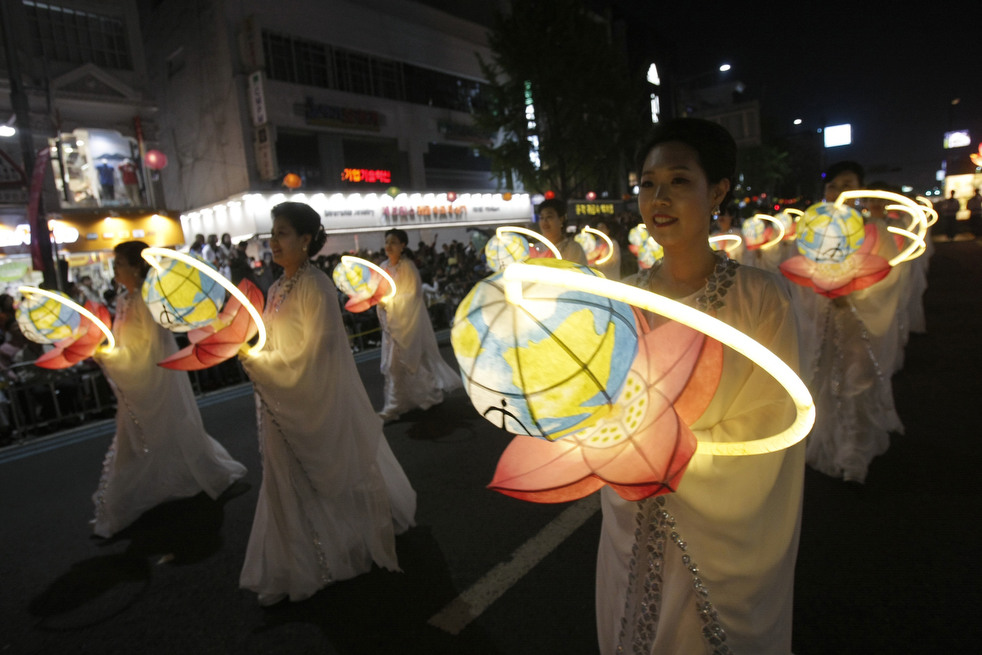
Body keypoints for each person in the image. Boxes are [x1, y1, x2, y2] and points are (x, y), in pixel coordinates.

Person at [596, 118, 803, 654]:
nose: (658, 198)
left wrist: (675, 456)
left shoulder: (762, 298)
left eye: (679, 181)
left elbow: (772, 416)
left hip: (717, 518)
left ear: (717, 192)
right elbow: (602, 397)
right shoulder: (620, 298)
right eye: (647, 183)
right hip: (633, 506)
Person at [238, 202, 415, 606]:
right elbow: (273, 337)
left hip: (301, 394)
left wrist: (265, 366)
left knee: (314, 475)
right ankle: (296, 559)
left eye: (283, 233)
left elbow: (318, 353)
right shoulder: (276, 287)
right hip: (279, 397)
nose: (274, 241)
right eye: (273, 232)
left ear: (305, 239)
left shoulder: (316, 286)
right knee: (285, 477)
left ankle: (327, 555)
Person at [90, 240, 246, 538]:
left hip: (153, 378)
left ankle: (159, 488)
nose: (115, 270)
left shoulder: (150, 298)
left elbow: (150, 350)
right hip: (137, 378)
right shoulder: (124, 299)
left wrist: (113, 359)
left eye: (119, 264)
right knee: (143, 436)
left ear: (136, 266)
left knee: (165, 429)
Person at [793, 163, 905, 484]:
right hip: (825, 322)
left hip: (857, 323)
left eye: (848, 184)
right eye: (834, 185)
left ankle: (854, 453)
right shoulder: (813, 228)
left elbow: (887, 277)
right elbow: (799, 273)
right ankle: (828, 441)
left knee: (857, 380)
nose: (839, 191)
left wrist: (853, 295)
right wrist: (823, 293)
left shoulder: (873, 230)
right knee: (825, 379)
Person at [376, 228, 462, 422]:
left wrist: (391, 302)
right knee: (394, 366)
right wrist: (380, 301)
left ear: (402, 245)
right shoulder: (383, 266)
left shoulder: (407, 267)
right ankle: (402, 403)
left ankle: (419, 398)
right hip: (391, 324)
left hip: (408, 323)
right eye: (387, 242)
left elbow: (413, 296)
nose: (389, 246)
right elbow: (377, 290)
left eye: (393, 242)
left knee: (410, 362)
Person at [536, 198, 588, 265]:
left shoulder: (573, 248)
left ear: (561, 219)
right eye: (541, 217)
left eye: (549, 216)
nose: (544, 221)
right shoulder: (536, 248)